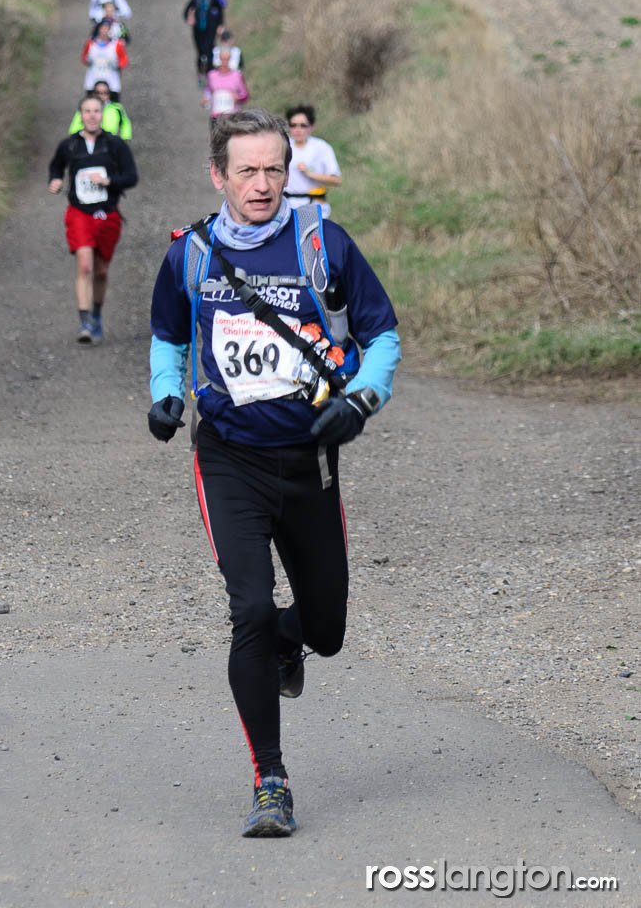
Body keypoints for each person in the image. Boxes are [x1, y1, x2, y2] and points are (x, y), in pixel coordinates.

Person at [147, 108, 400, 837]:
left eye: (273, 169)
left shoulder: (323, 243)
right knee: (251, 611)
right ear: (217, 175)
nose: (261, 184)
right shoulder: (191, 254)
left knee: (327, 628)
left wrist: (361, 399)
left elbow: (382, 335)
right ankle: (270, 781)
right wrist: (166, 394)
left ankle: (293, 643)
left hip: (309, 459)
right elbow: (167, 335)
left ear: (288, 172)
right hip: (228, 458)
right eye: (246, 171)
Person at [48, 94, 138, 344]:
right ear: (80, 115)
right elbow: (56, 167)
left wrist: (108, 181)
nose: (91, 116)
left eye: (96, 111)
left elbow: (131, 177)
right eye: (87, 111)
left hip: (107, 214)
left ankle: (96, 314)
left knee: (100, 271)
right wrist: (55, 181)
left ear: (102, 114)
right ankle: (85, 322)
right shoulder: (69, 145)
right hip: (80, 213)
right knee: (85, 265)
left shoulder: (115, 145)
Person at [284, 105, 342, 219]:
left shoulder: (321, 147)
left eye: (303, 125)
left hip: (312, 206)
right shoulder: (283, 146)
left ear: (311, 127)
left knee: (309, 231)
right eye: (293, 125)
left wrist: (310, 174)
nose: (298, 129)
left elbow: (336, 180)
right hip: (286, 207)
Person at [183, 0, 224, 82]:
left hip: (210, 29)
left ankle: (211, 74)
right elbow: (186, 11)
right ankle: (201, 73)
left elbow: (220, 13)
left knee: (210, 51)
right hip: (198, 30)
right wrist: (189, 18)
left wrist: (220, 25)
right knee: (201, 52)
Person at [68, 80, 133, 141]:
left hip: (110, 141)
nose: (102, 96)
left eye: (105, 93)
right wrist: (76, 139)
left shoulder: (116, 108)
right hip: (89, 140)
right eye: (98, 93)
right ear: (93, 93)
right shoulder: (85, 107)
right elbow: (75, 124)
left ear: (109, 94)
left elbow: (125, 123)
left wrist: (125, 137)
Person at [81, 20, 128, 96]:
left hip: (111, 78)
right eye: (102, 28)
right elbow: (84, 57)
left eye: (107, 29)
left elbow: (123, 59)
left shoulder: (116, 45)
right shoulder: (90, 44)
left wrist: (117, 65)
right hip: (94, 77)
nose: (104, 31)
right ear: (98, 30)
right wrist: (88, 60)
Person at [203, 48, 249, 117]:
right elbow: (208, 91)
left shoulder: (237, 75)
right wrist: (206, 99)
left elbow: (245, 95)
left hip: (232, 115)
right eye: (222, 59)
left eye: (227, 59)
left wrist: (238, 98)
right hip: (216, 115)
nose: (224, 62)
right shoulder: (212, 75)